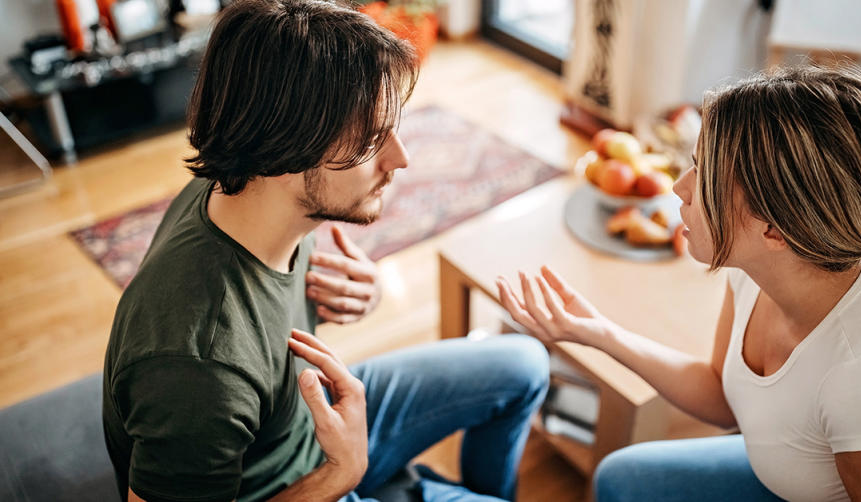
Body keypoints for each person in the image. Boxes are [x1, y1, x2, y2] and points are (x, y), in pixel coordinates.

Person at [101, 1, 549, 501]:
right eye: (372, 141)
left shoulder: (243, 193)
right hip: (306, 480)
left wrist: (362, 292)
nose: (402, 158)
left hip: (306, 424)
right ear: (286, 151)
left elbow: (262, 319)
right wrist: (341, 474)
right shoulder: (197, 366)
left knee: (527, 364)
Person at [498, 66, 861, 501]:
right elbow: (721, 394)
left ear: (775, 230)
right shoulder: (760, 272)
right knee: (620, 477)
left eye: (704, 176)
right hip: (791, 475)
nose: (680, 187)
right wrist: (598, 333)